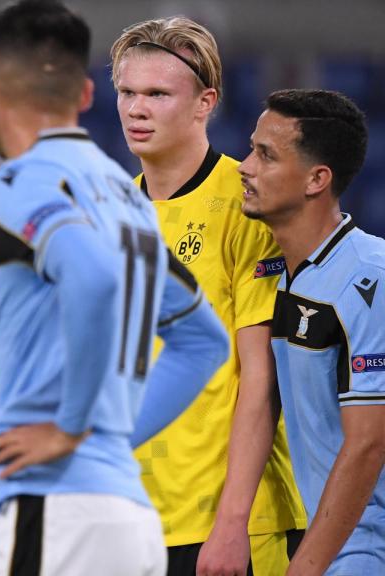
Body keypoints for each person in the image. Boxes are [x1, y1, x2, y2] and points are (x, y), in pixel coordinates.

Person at [0, 2, 229, 574]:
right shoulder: (127, 197)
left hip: (57, 508)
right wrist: (106, 436)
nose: (138, 108)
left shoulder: (26, 177)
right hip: (129, 513)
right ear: (87, 96)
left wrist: (71, 429)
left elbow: (90, 277)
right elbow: (205, 341)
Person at [110, 17, 307, 575]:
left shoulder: (249, 206)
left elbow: (260, 380)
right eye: (126, 92)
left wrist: (232, 524)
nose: (135, 109)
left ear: (205, 102)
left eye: (157, 94)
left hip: (227, 525)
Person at [239, 89, 385, 575]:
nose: (244, 167)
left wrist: (305, 568)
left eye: (265, 155)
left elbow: (369, 445)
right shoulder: (277, 274)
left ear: (316, 179)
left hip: (363, 552)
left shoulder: (371, 276)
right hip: (322, 546)